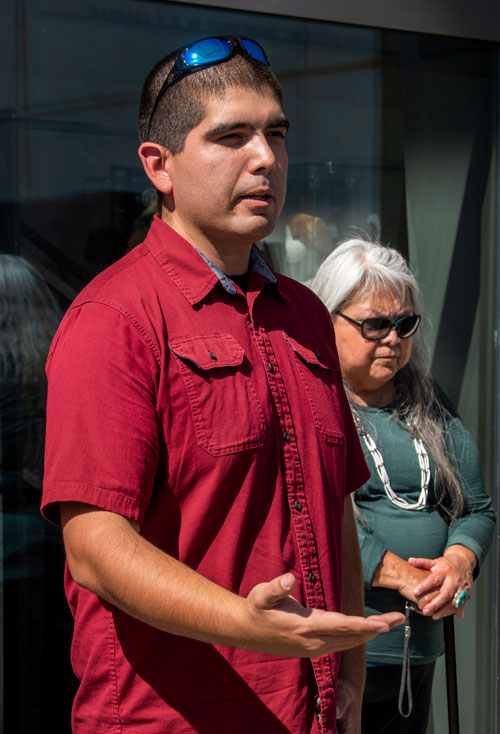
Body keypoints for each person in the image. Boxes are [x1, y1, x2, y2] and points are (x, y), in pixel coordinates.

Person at [41, 37, 404, 734]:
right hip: (171, 719)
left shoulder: (301, 312)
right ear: (160, 165)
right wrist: (244, 622)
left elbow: (332, 511)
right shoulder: (114, 318)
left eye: (276, 134)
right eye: (231, 137)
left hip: (313, 714)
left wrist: (349, 677)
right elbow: (94, 549)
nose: (265, 158)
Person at [311, 238, 495, 734]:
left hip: (419, 654)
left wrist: (458, 562)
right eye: (374, 324)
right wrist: (403, 576)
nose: (393, 339)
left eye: (405, 324)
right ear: (328, 318)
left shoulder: (427, 400)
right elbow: (311, 513)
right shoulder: (312, 403)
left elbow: (477, 508)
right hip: (341, 653)